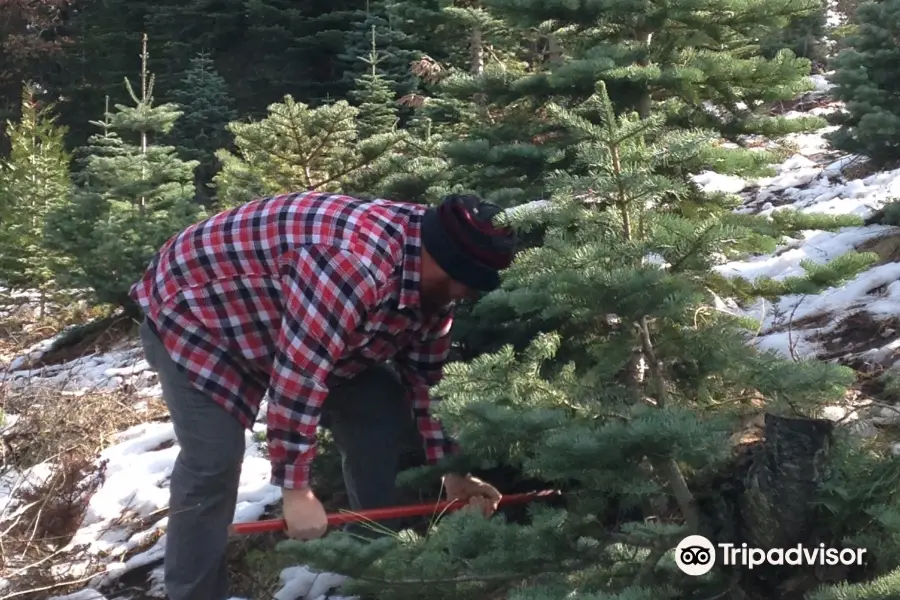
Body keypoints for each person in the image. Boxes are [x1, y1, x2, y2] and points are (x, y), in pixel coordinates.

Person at [130, 190, 519, 600]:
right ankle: (193, 594)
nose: (465, 295)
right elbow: (298, 377)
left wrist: (453, 470)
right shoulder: (352, 265)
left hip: (292, 321)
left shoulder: (435, 283)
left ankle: (369, 558)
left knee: (380, 406)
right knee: (213, 461)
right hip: (199, 315)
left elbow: (427, 380)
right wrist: (296, 491)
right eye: (462, 285)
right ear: (440, 260)